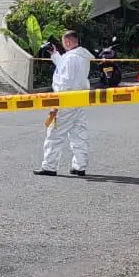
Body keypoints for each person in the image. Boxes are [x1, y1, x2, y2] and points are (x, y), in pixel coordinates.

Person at [34, 30, 94, 178]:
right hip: (80, 98)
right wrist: (55, 55)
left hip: (66, 100)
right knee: (78, 134)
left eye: (64, 42)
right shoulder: (83, 56)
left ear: (68, 41)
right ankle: (79, 166)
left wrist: (56, 104)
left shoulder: (70, 58)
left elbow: (64, 81)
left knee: (54, 134)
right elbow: (66, 69)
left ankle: (49, 166)